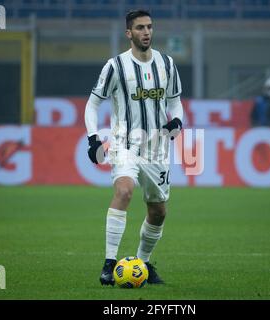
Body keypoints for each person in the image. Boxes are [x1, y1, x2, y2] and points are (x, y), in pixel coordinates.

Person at [84, 10, 184, 286]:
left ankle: (143, 264)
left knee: (158, 212)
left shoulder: (166, 63)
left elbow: (175, 100)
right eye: (140, 27)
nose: (146, 32)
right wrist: (93, 139)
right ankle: (109, 263)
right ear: (129, 33)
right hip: (124, 144)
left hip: (157, 150)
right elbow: (93, 104)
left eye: (149, 27)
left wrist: (177, 119)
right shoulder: (115, 66)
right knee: (124, 191)